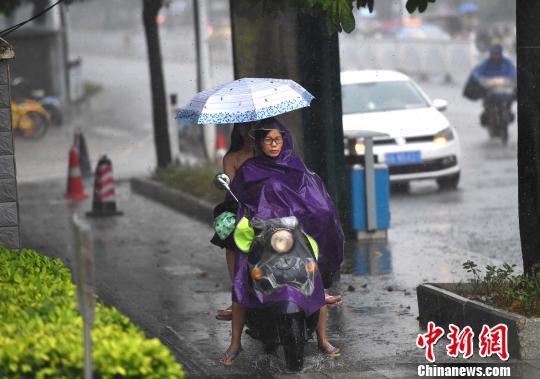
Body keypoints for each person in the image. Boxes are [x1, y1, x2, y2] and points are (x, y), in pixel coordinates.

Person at [219, 117, 343, 365]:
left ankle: (322, 338)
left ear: (284, 140)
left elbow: (315, 201)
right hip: (262, 234)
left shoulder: (296, 166)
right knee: (243, 281)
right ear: (260, 143)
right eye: (268, 140)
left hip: (294, 234)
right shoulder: (248, 170)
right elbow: (240, 202)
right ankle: (235, 344)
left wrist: (318, 216)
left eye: (278, 139)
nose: (274, 144)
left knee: (313, 278)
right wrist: (249, 220)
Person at [212, 123, 256, 321]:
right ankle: (238, 295)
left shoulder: (272, 153)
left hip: (275, 205)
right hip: (243, 208)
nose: (250, 131)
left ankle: (314, 288)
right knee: (230, 237)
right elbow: (232, 187)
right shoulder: (232, 158)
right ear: (238, 130)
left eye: (255, 126)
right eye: (245, 127)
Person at [463, 44, 516, 126]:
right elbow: (475, 73)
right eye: (494, 54)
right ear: (491, 54)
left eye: (497, 54)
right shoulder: (485, 64)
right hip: (489, 89)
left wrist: (507, 80)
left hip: (504, 89)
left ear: (501, 54)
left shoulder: (507, 63)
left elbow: (513, 73)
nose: (496, 56)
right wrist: (481, 80)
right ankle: (486, 115)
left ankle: (508, 113)